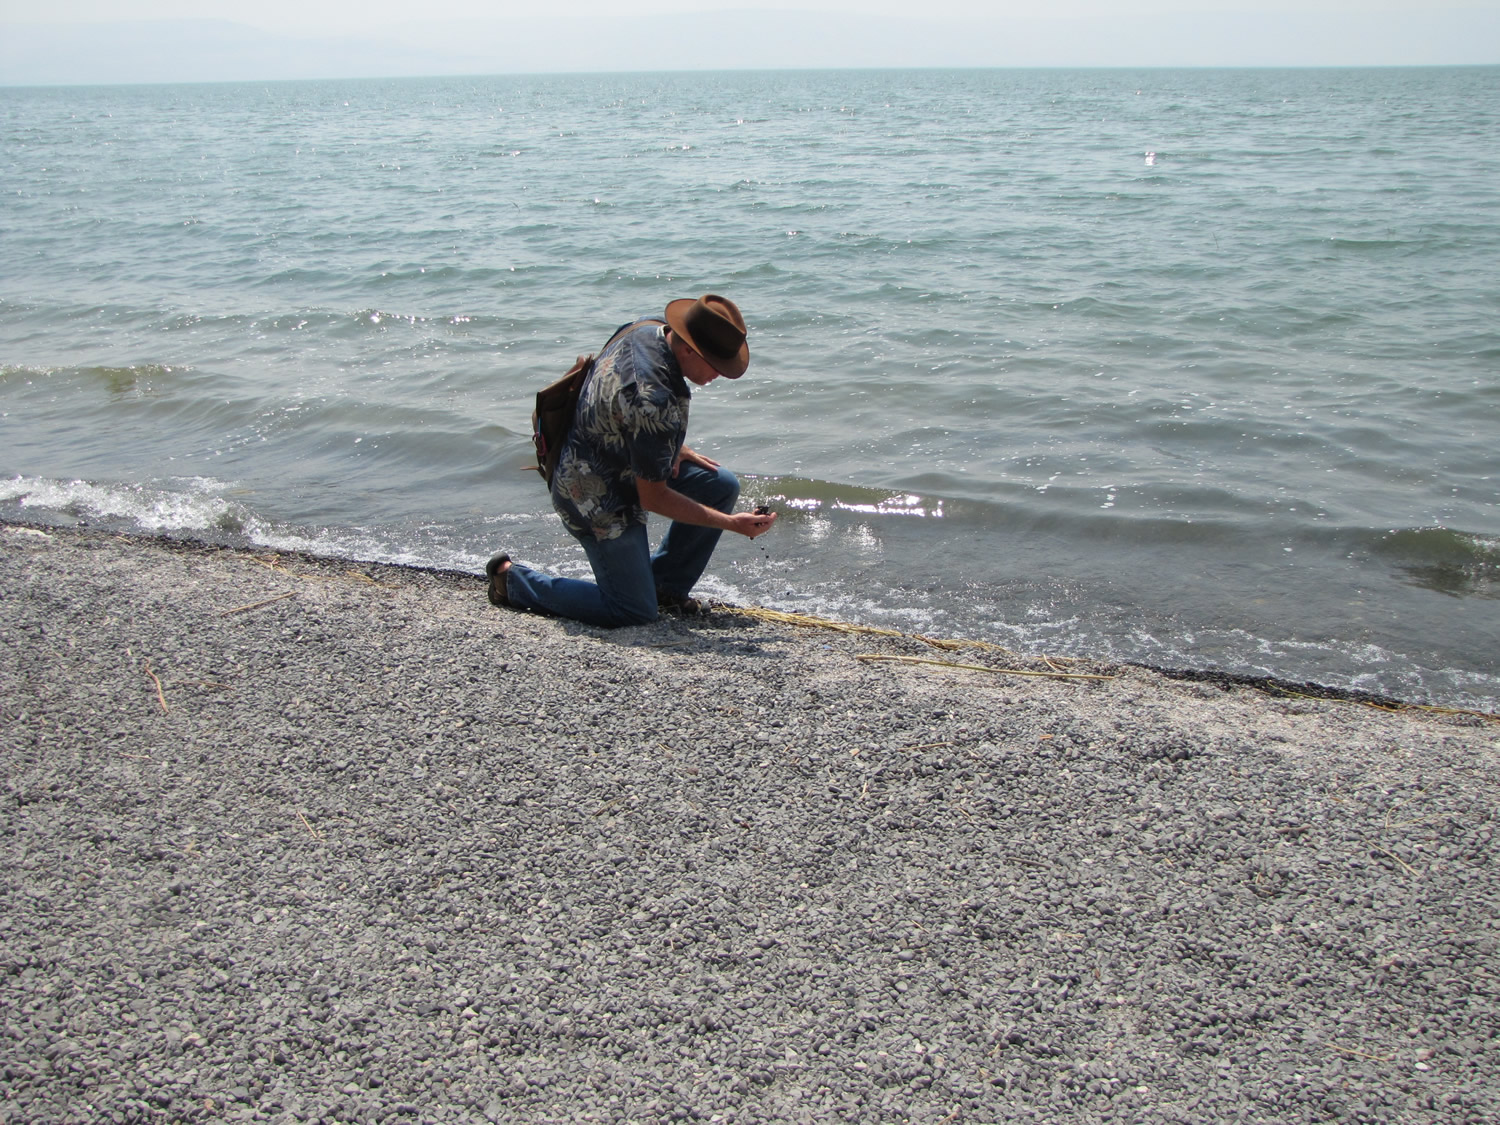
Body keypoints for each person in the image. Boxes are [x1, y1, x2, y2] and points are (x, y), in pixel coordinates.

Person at [487, 294, 777, 626]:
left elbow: (618, 398)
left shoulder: (648, 328)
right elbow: (653, 497)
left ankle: (663, 587)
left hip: (605, 450)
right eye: (716, 365)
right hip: (590, 492)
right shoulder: (655, 400)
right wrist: (731, 524)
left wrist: (666, 444)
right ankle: (512, 583)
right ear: (688, 349)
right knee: (632, 611)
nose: (720, 375)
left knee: (719, 485)